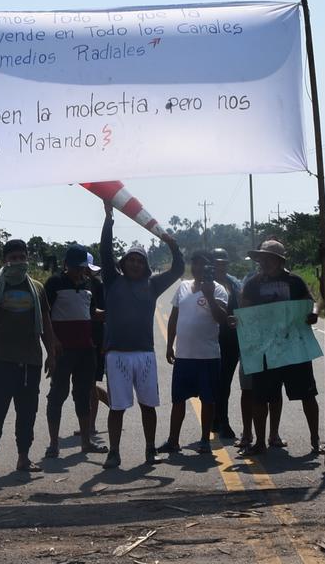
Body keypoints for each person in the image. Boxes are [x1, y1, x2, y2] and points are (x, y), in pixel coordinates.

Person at [99, 199, 184, 470]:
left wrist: (173, 246)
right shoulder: (113, 281)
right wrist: (109, 219)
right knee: (117, 407)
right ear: (122, 264)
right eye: (130, 260)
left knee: (148, 406)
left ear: (144, 266)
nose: (135, 264)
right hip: (117, 356)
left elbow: (179, 270)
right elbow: (104, 252)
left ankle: (149, 449)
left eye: (139, 261)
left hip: (145, 355)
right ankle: (114, 452)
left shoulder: (153, 284)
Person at [0, 239, 57, 478]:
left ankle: (23, 458)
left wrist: (51, 353)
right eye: (13, 258)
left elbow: (47, 325)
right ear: (5, 261)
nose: (18, 262)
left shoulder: (37, 288)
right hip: (0, 360)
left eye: (22, 257)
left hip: (30, 361)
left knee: (27, 413)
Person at [239, 239, 322, 457]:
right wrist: (238, 321)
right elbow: (244, 310)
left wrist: (313, 313)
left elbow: (310, 302)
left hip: (294, 347)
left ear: (279, 260)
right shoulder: (252, 284)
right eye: (261, 258)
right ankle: (260, 441)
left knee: (307, 395)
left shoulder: (294, 281)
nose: (263, 262)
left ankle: (316, 441)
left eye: (268, 258)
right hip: (265, 349)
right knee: (261, 396)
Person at [161, 251, 234, 454]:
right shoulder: (183, 287)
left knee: (207, 400)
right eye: (195, 264)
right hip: (184, 356)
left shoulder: (218, 289)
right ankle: (173, 441)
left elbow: (221, 319)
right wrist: (169, 345)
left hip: (208, 356)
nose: (199, 268)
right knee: (178, 400)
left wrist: (209, 295)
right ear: (191, 267)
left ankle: (204, 440)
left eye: (204, 265)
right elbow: (174, 317)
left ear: (210, 268)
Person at [42, 244, 107, 459]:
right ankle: (53, 444)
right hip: (63, 350)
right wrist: (53, 344)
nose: (80, 272)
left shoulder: (89, 285)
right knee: (57, 395)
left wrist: (112, 313)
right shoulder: (54, 284)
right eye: (77, 268)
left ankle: (86, 442)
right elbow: (45, 317)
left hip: (85, 349)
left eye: (83, 268)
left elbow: (90, 312)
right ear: (66, 265)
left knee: (84, 395)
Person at [210, 247, 244, 445]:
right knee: (214, 382)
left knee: (225, 383)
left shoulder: (234, 283)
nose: (220, 266)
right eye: (217, 263)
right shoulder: (204, 283)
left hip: (230, 340)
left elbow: (241, 309)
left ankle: (223, 421)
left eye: (223, 263)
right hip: (209, 339)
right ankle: (216, 419)